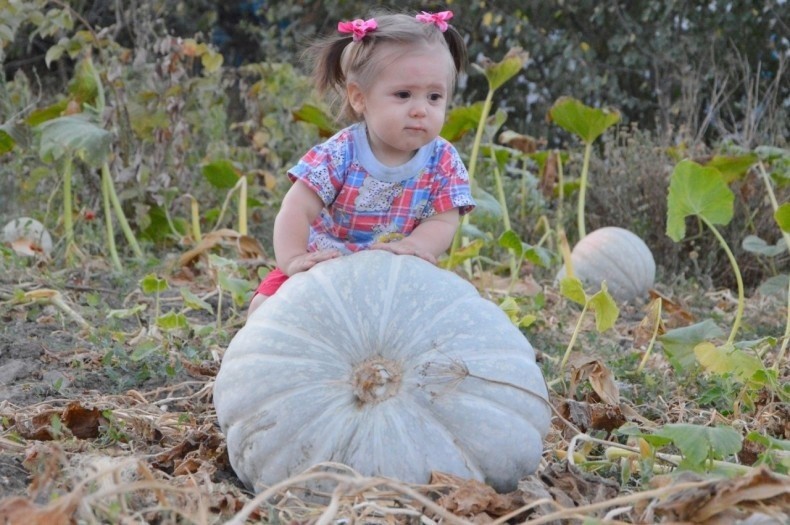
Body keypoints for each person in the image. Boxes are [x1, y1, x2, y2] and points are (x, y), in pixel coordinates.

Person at [248, 9, 475, 316]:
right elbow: (296, 208)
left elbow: (443, 220)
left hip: (395, 275)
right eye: (404, 94)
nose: (421, 109)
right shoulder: (341, 153)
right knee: (264, 309)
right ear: (359, 98)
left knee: (448, 317)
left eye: (434, 97)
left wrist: (416, 246)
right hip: (324, 266)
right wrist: (293, 260)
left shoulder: (444, 161)